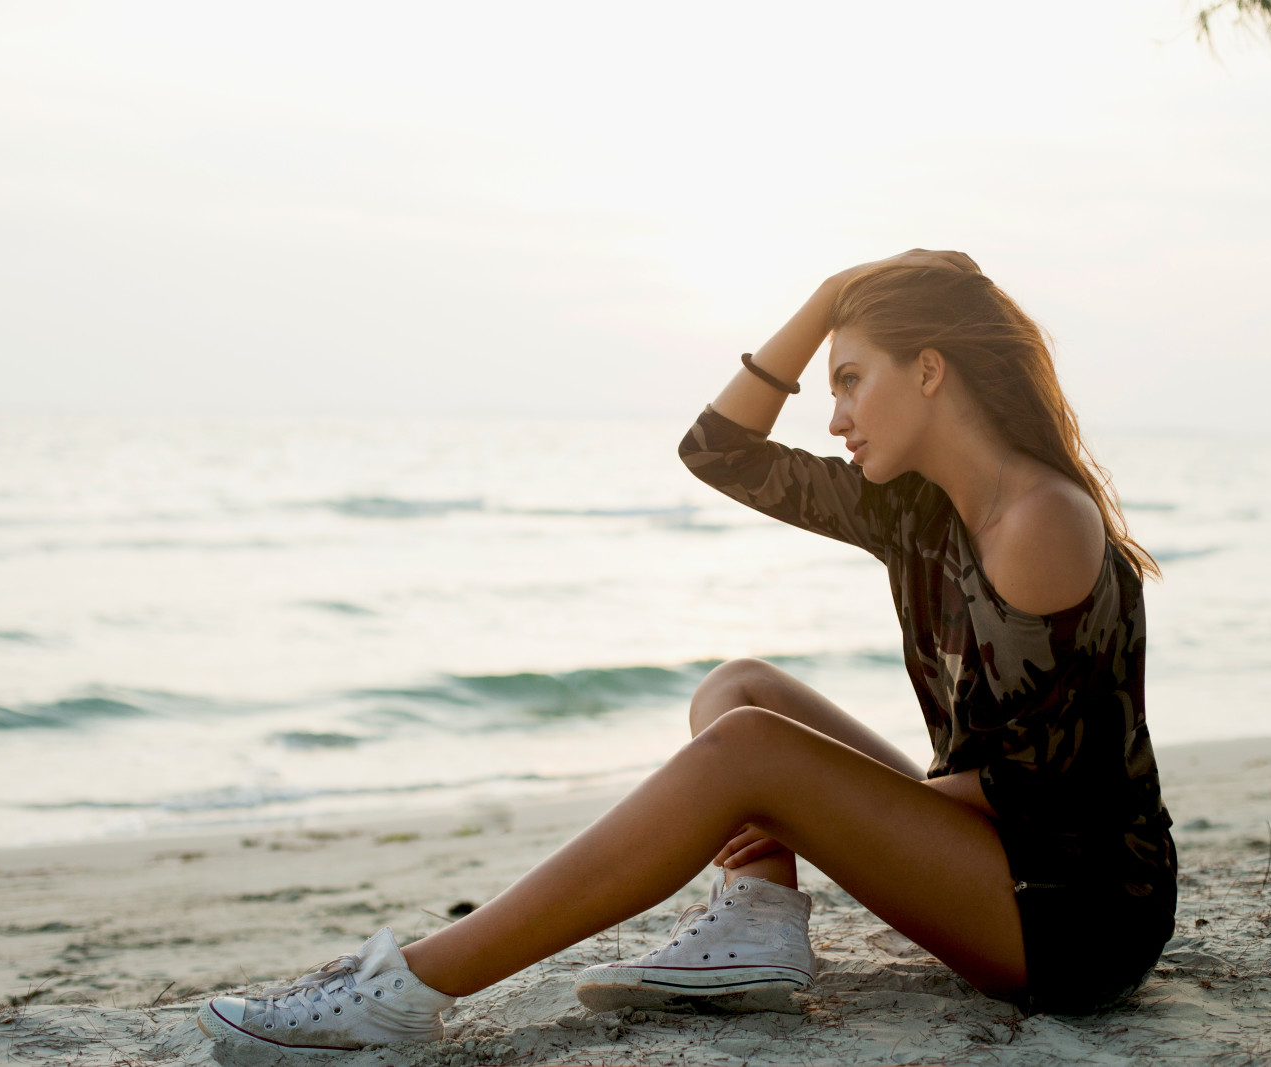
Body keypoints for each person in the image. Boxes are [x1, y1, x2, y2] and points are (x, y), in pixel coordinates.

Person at [197, 249, 1177, 1054]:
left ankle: (406, 986)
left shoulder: (1038, 521)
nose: (833, 417)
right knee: (740, 690)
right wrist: (827, 298)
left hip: (1074, 912)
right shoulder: (912, 507)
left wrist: (781, 793)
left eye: (849, 379)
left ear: (930, 369)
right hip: (1004, 857)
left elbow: (1037, 799)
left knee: (750, 747)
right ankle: (755, 921)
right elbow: (718, 449)